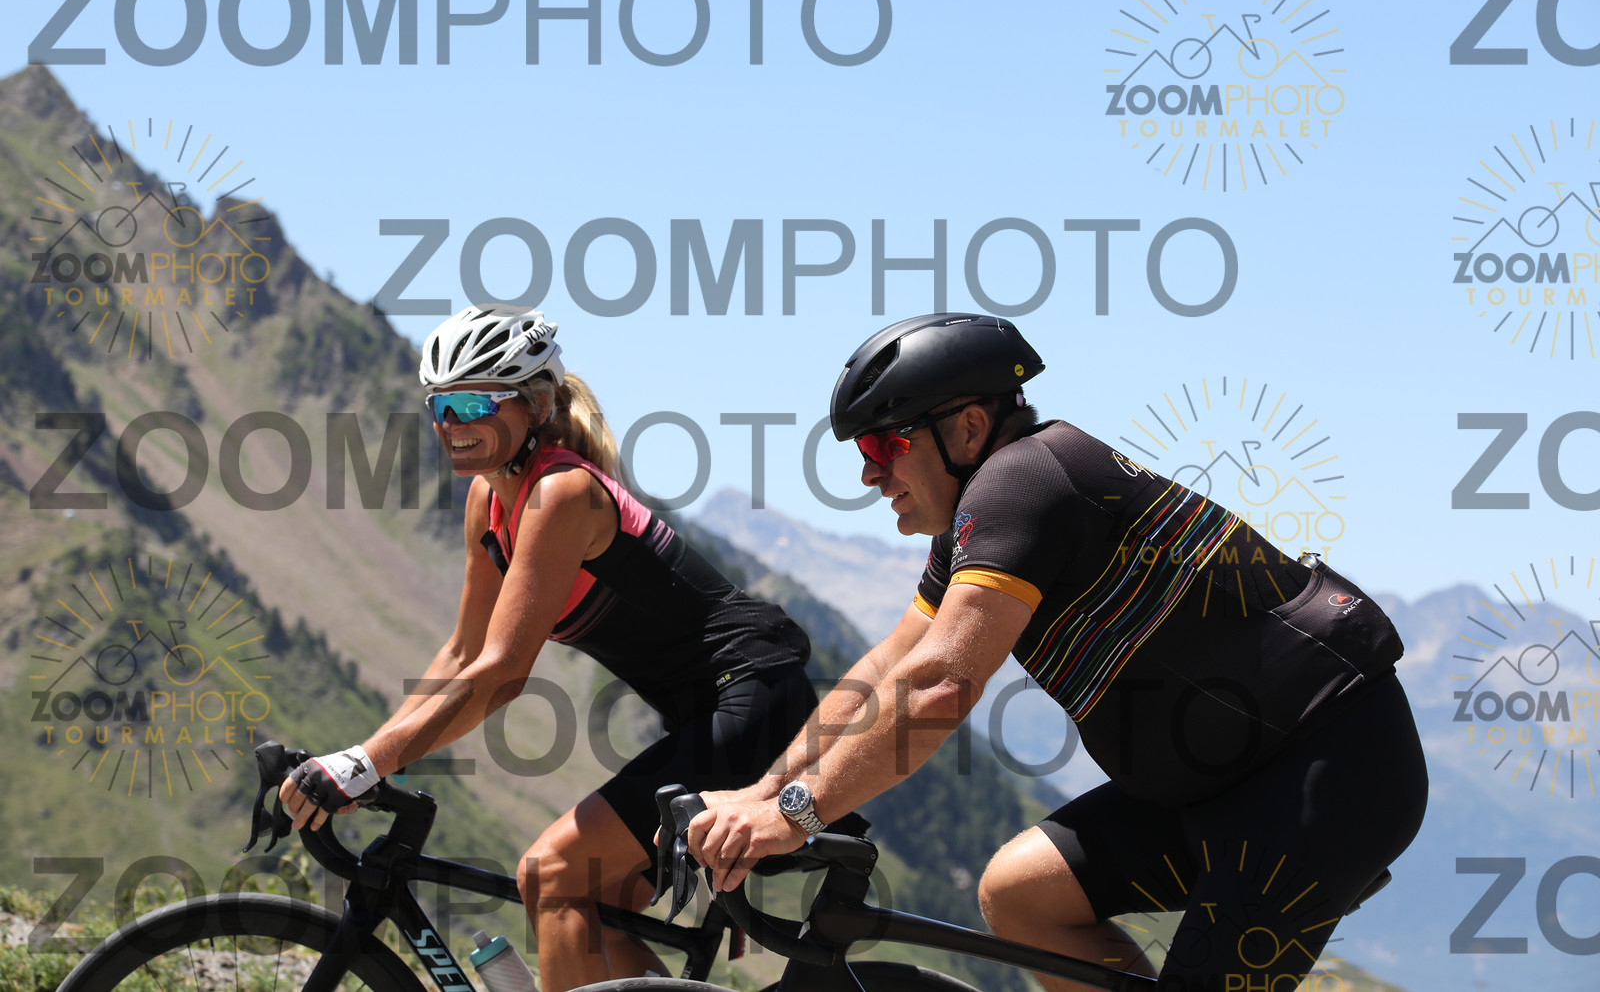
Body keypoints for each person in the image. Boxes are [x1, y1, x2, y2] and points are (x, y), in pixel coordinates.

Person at [687, 312, 1428, 991]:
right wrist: (765, 793)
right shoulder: (977, 523)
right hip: (1217, 782)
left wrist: (798, 814)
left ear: (969, 428)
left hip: (1323, 775)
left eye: (887, 444)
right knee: (1023, 895)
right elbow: (892, 665)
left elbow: (940, 685)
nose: (869, 473)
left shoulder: (1023, 481)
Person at [279, 303, 817, 992]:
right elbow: (463, 653)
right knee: (596, 914)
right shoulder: (489, 501)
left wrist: (365, 764)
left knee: (554, 874)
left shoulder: (561, 492)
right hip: (701, 714)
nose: (452, 424)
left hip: (755, 698)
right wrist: (367, 758)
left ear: (535, 405)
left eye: (475, 403)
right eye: (440, 406)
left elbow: (503, 672)